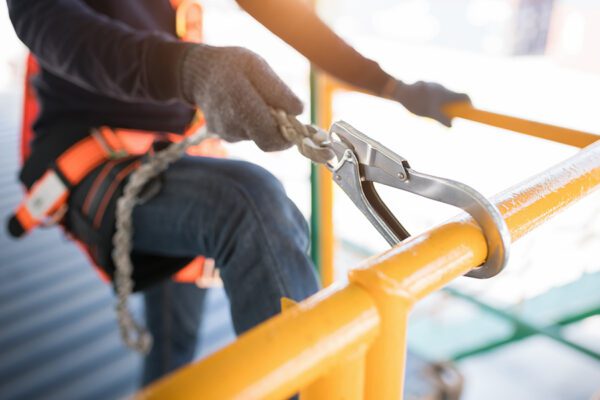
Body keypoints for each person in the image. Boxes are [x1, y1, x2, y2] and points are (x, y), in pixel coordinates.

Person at [6, 0, 469, 388]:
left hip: (173, 154)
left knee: (174, 344)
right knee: (249, 206)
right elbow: (49, 23)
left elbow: (286, 14)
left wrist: (388, 85)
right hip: (92, 154)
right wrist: (188, 70)